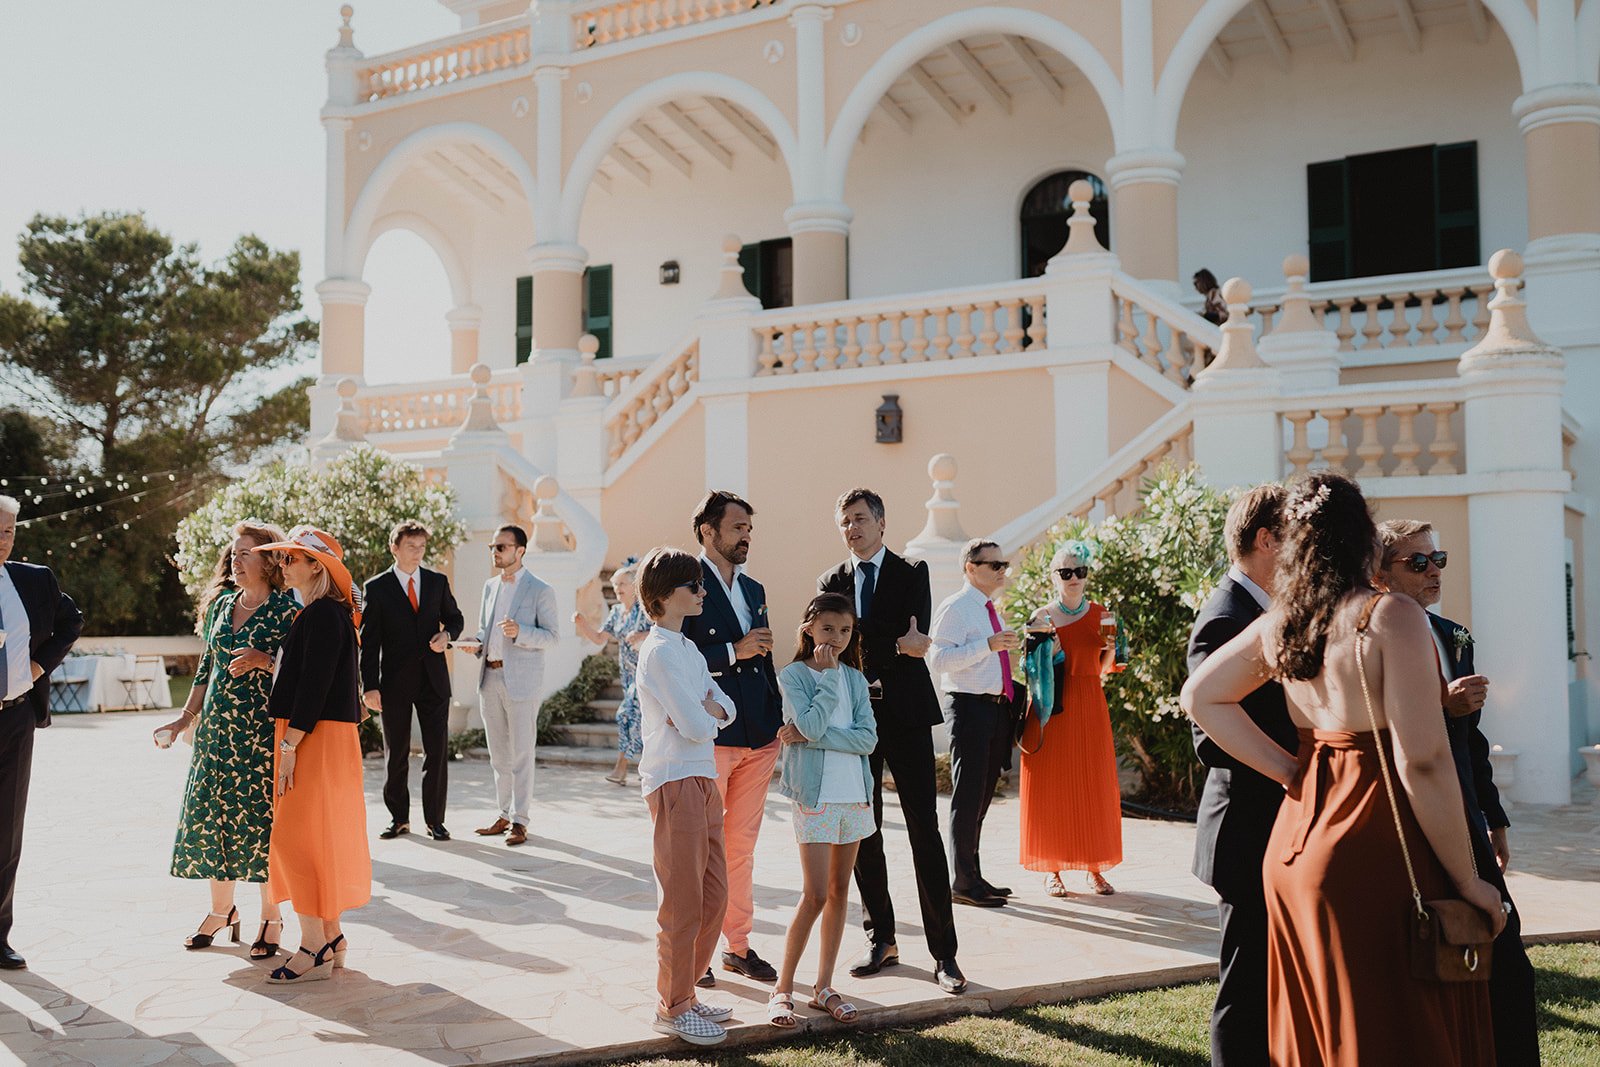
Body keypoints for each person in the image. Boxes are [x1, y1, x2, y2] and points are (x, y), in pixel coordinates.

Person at [1181, 472, 1503, 1065]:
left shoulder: (1282, 622)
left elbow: (1200, 698)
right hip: (1376, 845)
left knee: (1323, 1035)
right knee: (1397, 1031)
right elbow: (1425, 761)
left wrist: (1290, 771)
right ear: (1364, 540)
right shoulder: (1390, 616)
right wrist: (1469, 881)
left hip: (1297, 843)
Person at [1373, 518, 1539, 1065]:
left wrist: (1494, 818)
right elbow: (1388, 735)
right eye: (1416, 562)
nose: (1432, 572)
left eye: (1436, 559)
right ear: (1380, 574)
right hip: (1411, 821)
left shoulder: (1453, 636)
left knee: (1507, 961)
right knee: (1439, 955)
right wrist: (1441, 709)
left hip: (1466, 815)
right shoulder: (1372, 640)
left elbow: (1472, 743)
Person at [818, 488, 965, 994]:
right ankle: (881, 938)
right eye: (844, 522)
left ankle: (944, 955)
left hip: (904, 717)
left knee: (924, 827)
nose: (851, 529)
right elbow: (829, 644)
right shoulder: (830, 581)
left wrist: (866, 640)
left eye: (859, 519)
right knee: (865, 829)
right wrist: (885, 644)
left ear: (881, 522)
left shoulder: (912, 573)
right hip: (854, 720)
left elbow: (916, 640)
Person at [1186, 486, 1296, 1066]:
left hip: (1270, 827)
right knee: (1246, 986)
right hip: (1246, 829)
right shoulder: (1227, 614)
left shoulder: (1265, 609)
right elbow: (1210, 737)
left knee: (1271, 979)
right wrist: (1291, 770)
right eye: (1293, 539)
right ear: (1265, 540)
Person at [155, 522, 298, 960]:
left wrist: (265, 659)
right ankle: (221, 912)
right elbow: (206, 668)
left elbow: (300, 672)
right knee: (213, 818)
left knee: (260, 826)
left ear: (268, 561)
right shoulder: (221, 605)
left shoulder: (286, 613)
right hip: (216, 732)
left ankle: (271, 918)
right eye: (233, 554)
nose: (235, 561)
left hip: (259, 733)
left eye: (245, 554)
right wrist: (184, 718)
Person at [254, 526, 373, 984]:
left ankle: (313, 943)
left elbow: (315, 684)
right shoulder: (322, 613)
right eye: (282, 558)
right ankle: (332, 935)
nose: (283, 566)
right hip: (318, 734)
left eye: (291, 559)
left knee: (294, 839)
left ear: (316, 567)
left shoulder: (324, 614)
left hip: (313, 736)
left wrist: (289, 744)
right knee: (316, 836)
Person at [634, 547, 738, 1046]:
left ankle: (687, 994)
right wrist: (708, 711)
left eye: (701, 584)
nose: (701, 592)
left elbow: (724, 708)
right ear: (661, 595)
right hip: (674, 780)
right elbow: (699, 720)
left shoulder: (689, 650)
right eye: (692, 585)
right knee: (682, 902)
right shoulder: (656, 651)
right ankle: (672, 1007)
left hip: (703, 777)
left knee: (714, 895)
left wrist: (709, 710)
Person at [680, 491, 782, 985]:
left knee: (741, 847)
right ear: (708, 531)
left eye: (749, 528)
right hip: (713, 736)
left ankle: (737, 946)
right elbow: (676, 656)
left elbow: (764, 659)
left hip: (761, 737)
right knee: (704, 846)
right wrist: (731, 651)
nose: (746, 536)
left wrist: (779, 717)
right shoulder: (683, 585)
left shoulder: (755, 587)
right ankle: (697, 954)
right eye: (737, 527)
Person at [767, 592, 876, 1030]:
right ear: (809, 627)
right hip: (815, 798)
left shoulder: (855, 677)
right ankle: (782, 988)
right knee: (813, 894)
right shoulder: (794, 674)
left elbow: (866, 740)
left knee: (838, 892)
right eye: (828, 628)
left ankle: (824, 987)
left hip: (855, 796)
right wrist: (827, 680)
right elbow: (810, 724)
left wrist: (812, 735)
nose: (837, 637)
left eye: (846, 631)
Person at [0, 495, 83, 970]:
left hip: (14, 718)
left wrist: (36, 667)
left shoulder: (33, 579)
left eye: (9, 531)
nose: (3, 540)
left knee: (7, 831)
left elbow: (70, 622)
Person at [1019, 541, 1121, 896]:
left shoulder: (1103, 614)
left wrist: (1107, 651)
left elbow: (1107, 666)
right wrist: (1052, 654)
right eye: (1066, 572)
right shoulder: (1040, 618)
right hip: (1051, 709)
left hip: (1090, 704)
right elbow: (1027, 669)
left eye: (1080, 571)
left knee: (1093, 786)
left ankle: (1095, 868)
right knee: (1052, 789)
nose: (1074, 577)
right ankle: (1053, 870)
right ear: (1054, 577)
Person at [927, 539, 1019, 909]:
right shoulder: (957, 607)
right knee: (967, 797)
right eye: (993, 565)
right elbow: (938, 659)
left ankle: (973, 875)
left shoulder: (987, 608)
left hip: (995, 709)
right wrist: (989, 645)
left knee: (982, 795)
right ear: (970, 567)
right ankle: (963, 880)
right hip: (969, 708)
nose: (1001, 571)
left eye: (1003, 564)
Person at [360, 520, 465, 842]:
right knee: (397, 752)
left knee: (437, 752)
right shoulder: (376, 588)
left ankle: (435, 821)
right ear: (395, 547)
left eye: (421, 547)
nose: (418, 552)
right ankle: (399, 818)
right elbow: (370, 641)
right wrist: (370, 686)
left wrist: (447, 635)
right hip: (394, 683)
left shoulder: (436, 581)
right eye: (411, 546)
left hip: (434, 680)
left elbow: (456, 618)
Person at [467, 524, 558, 847]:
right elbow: (485, 630)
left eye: (501, 547)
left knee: (521, 753)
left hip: (521, 680)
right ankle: (503, 813)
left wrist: (520, 632)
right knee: (498, 754)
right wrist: (473, 643)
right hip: (488, 676)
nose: (495, 552)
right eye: (493, 546)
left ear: (520, 551)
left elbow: (551, 635)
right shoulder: (490, 586)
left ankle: (521, 820)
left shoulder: (540, 589)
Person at [574, 561, 650, 787]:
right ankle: (644, 767)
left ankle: (622, 768)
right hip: (627, 675)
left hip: (647, 673)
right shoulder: (617, 612)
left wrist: (643, 635)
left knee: (627, 714)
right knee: (637, 718)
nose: (617, 589)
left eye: (622, 584)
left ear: (634, 586)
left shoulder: (645, 609)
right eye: (615, 584)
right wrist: (581, 623)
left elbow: (663, 629)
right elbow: (599, 638)